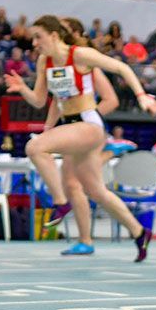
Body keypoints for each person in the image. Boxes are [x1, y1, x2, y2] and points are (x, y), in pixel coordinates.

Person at [3, 15, 156, 262]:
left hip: (89, 124)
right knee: (95, 190)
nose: (34, 43)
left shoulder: (80, 55)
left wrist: (142, 95)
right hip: (71, 128)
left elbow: (121, 67)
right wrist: (23, 88)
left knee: (35, 148)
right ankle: (139, 232)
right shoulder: (45, 61)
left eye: (38, 37)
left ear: (54, 36)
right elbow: (40, 101)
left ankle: (60, 203)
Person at [49, 16, 123, 256]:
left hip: (86, 130)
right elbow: (56, 101)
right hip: (71, 129)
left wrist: (86, 116)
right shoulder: (56, 64)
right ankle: (90, 239)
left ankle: (87, 238)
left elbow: (112, 100)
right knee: (78, 185)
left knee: (80, 185)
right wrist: (48, 128)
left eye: (61, 30)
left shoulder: (85, 61)